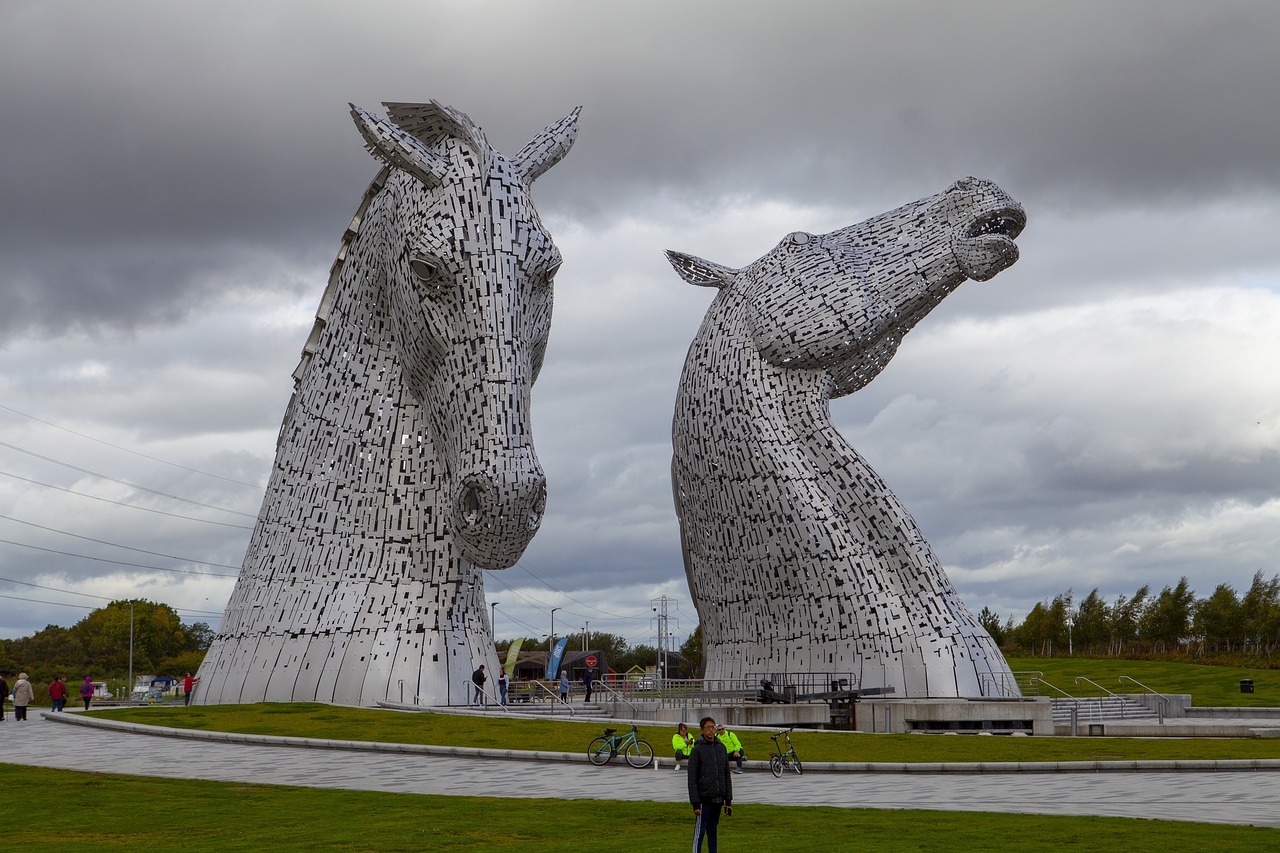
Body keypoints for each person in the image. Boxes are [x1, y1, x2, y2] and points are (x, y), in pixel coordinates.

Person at [687, 716, 733, 852]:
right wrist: (695, 802)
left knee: (713, 830)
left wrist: (728, 800)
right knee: (700, 831)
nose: (711, 730)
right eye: (708, 727)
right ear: (702, 730)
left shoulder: (721, 748)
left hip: (718, 798)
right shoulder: (697, 750)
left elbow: (726, 774)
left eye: (713, 727)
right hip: (703, 798)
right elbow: (692, 777)